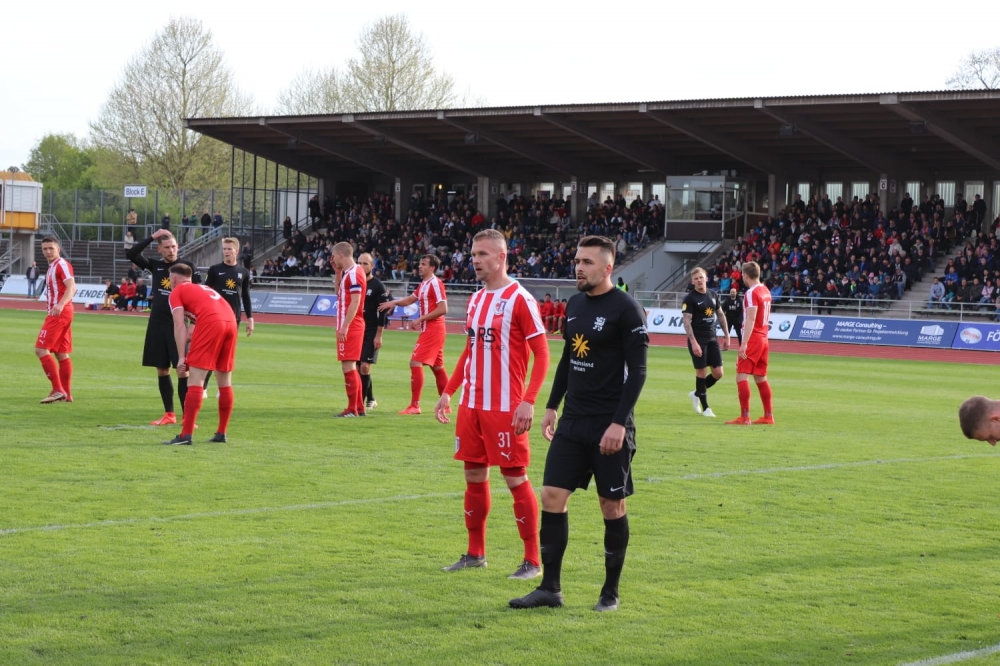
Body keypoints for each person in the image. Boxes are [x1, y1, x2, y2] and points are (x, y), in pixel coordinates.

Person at [510, 235, 648, 612]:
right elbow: (568, 359)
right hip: (573, 421)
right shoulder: (574, 304)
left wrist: (619, 424)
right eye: (577, 261)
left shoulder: (627, 309)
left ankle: (610, 593)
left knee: (611, 506)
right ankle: (550, 590)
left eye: (587, 262)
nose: (579, 268)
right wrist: (551, 405)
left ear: (608, 267)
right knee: (552, 497)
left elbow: (638, 371)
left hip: (610, 424)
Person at [434, 229, 551, 580]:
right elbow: (470, 351)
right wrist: (449, 391)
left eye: (482, 254)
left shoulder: (520, 299)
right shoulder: (475, 300)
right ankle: (475, 553)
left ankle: (532, 560)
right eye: (473, 254)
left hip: (505, 407)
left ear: (501, 257)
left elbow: (542, 353)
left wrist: (528, 401)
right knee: (473, 476)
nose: (475, 260)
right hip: (471, 404)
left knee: (515, 478)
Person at [126, 229, 201, 425]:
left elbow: (199, 296)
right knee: (162, 370)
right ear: (159, 249)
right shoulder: (156, 265)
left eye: (174, 246)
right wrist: (152, 236)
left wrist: (193, 324)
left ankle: (188, 417)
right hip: (156, 323)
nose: (171, 250)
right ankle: (169, 414)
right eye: (167, 247)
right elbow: (131, 253)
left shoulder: (187, 267)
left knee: (182, 370)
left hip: (178, 325)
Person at [162, 264, 238, 445]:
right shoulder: (202, 288)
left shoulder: (176, 292)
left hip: (212, 322)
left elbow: (179, 325)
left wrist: (181, 356)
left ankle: (185, 435)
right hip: (231, 322)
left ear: (173, 279)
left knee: (195, 380)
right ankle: (221, 433)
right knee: (225, 380)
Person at [379, 254, 449, 414]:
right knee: (437, 367)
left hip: (433, 329)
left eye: (423, 264)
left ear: (432, 268)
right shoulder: (423, 284)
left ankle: (415, 406)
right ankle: (445, 405)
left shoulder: (435, 283)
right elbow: (410, 300)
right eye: (420, 263)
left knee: (415, 362)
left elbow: (443, 308)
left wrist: (420, 318)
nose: (419, 266)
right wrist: (394, 302)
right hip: (431, 329)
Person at [203, 237, 255, 392]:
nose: (226, 252)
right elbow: (205, 292)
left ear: (236, 251)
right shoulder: (214, 269)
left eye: (229, 249)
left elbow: (246, 296)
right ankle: (203, 388)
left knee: (227, 353)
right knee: (212, 351)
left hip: (233, 318)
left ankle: (222, 390)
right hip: (215, 317)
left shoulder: (243, 272)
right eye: (224, 249)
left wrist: (250, 319)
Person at [726, 260, 774, 426]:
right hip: (764, 338)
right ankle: (768, 415)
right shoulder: (765, 290)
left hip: (754, 338)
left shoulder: (751, 293)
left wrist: (744, 343)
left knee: (742, 375)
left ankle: (744, 416)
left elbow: (751, 318)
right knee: (760, 377)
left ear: (746, 276)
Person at [682, 266, 729, 418]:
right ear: (692, 282)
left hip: (712, 338)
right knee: (701, 372)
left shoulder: (713, 295)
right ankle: (706, 408)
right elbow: (686, 322)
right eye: (696, 279)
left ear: (706, 278)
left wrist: (727, 335)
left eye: (701, 277)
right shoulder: (690, 299)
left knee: (718, 373)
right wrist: (694, 342)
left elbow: (720, 315)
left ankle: (696, 393)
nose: (699, 280)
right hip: (698, 339)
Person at [35, 237, 77, 403]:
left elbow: (72, 287)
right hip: (63, 312)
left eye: (51, 248)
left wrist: (60, 304)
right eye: (45, 249)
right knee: (61, 353)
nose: (48, 251)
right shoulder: (52, 266)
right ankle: (66, 393)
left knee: (41, 349)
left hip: (59, 313)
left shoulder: (61, 264)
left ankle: (57, 389)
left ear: (58, 249)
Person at [332, 242, 367, 417]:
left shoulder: (354, 274)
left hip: (351, 325)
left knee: (348, 366)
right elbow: (338, 294)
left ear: (341, 255)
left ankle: (352, 409)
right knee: (351, 366)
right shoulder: (349, 273)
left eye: (334, 256)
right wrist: (337, 273)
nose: (333, 260)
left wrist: (345, 326)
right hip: (349, 324)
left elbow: (356, 301)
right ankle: (358, 407)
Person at [357, 252, 390, 410]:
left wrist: (379, 335)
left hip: (371, 329)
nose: (362, 266)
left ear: (372, 266)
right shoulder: (355, 283)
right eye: (359, 263)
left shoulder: (377, 286)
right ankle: (371, 398)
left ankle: (359, 405)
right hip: (357, 329)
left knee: (365, 366)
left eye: (365, 263)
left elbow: (383, 312)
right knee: (358, 368)